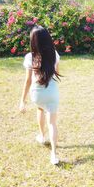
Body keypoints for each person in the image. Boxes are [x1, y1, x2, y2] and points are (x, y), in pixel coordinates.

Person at [19, 25, 61, 165]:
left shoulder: (30, 57)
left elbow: (28, 81)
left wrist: (22, 101)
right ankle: (54, 155)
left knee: (40, 109)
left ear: (33, 41)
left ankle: (42, 136)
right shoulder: (54, 54)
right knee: (52, 123)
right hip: (52, 93)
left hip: (37, 94)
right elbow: (56, 74)